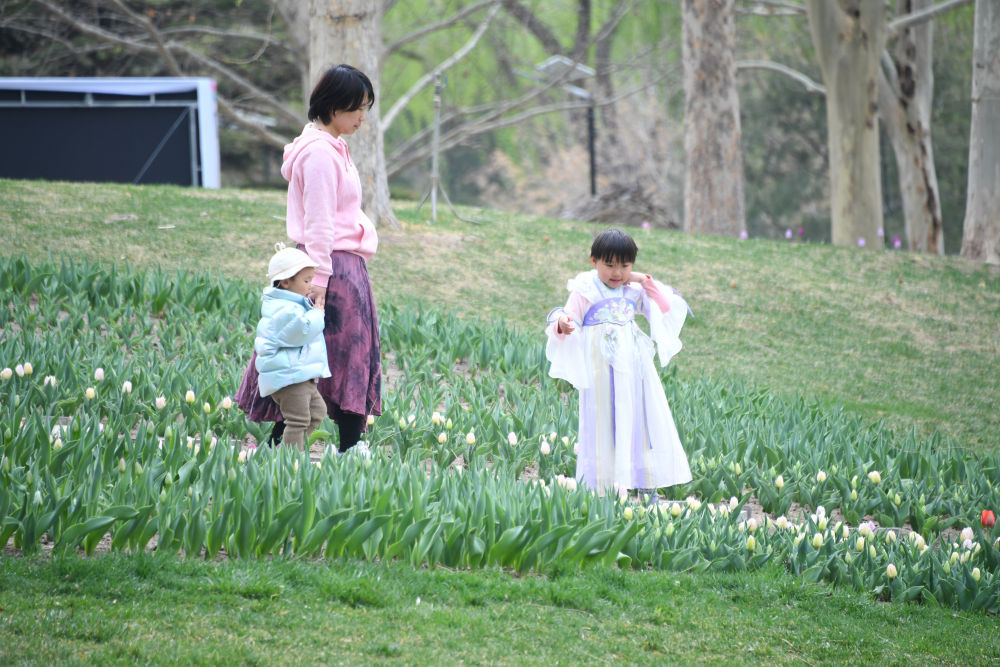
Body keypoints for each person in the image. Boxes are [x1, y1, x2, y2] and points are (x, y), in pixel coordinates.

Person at [235, 64, 382, 453]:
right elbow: (318, 224)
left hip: (338, 267)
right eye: (357, 108)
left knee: (323, 356)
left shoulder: (332, 145)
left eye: (365, 108)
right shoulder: (318, 153)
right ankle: (343, 448)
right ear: (334, 107)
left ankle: (313, 447)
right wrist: (317, 283)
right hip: (327, 270)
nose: (362, 117)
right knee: (315, 357)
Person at [545, 228, 692, 502]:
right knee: (601, 422)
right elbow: (569, 317)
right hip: (599, 371)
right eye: (609, 265)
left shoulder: (632, 290)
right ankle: (600, 488)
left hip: (633, 368)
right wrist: (563, 324)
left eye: (625, 265)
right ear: (594, 261)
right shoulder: (586, 289)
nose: (617, 273)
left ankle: (644, 483)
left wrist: (641, 279)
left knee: (637, 419)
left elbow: (663, 306)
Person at [252, 245, 331, 450]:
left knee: (317, 412)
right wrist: (318, 314)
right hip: (288, 376)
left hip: (299, 373)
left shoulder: (294, 304)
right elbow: (302, 332)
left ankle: (286, 449)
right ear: (286, 282)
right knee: (298, 419)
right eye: (306, 281)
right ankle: (288, 461)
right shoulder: (283, 308)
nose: (311, 285)